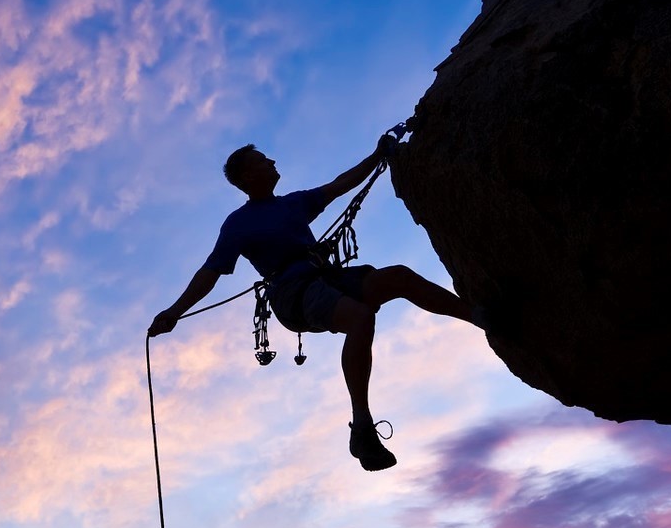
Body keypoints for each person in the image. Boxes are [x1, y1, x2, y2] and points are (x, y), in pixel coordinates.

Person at [147, 136, 481, 472]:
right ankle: (362, 425)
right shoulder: (238, 224)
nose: (272, 163)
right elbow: (211, 272)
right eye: (264, 160)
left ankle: (481, 317)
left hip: (324, 279)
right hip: (292, 294)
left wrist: (378, 154)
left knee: (399, 277)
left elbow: (339, 185)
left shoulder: (293, 204)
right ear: (247, 176)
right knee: (360, 317)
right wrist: (175, 312)